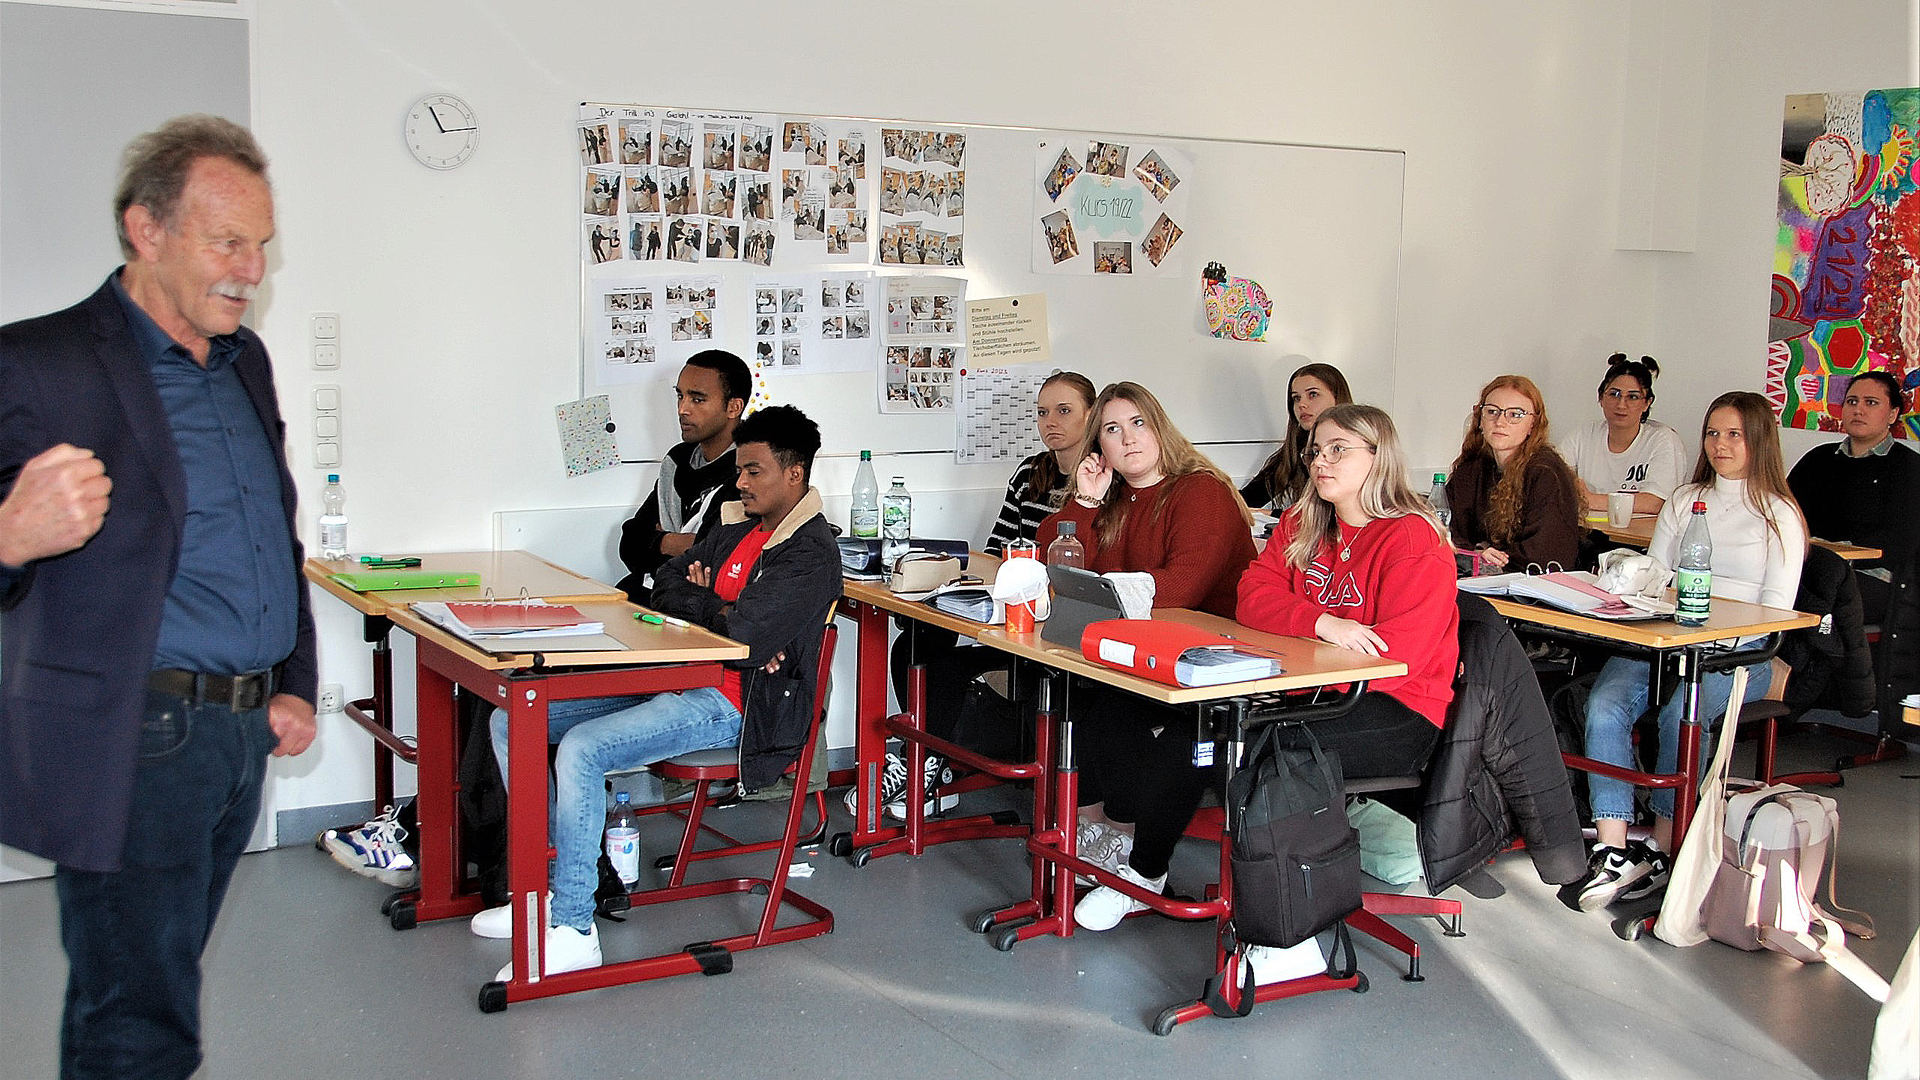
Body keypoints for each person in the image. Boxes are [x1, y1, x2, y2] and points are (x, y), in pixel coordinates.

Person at [0, 115, 317, 1080]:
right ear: (146, 229)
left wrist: (295, 678)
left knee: (155, 987)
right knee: (137, 1015)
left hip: (241, 732)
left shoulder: (244, 363)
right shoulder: (35, 362)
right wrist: (10, 534)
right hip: (136, 732)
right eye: (228, 241)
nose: (251, 268)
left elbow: (273, 528)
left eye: (261, 244)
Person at [470, 405, 841, 977]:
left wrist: (717, 609)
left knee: (582, 749)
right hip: (683, 679)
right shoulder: (739, 525)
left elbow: (743, 633)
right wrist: (715, 606)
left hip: (739, 707)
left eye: (754, 471)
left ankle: (574, 926)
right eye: (739, 470)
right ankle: (542, 894)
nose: (740, 482)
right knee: (510, 720)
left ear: (795, 474)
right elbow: (661, 582)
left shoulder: (810, 552)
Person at [1234, 404, 1461, 975]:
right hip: (1320, 696)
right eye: (1316, 450)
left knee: (1283, 751)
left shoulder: (1411, 537)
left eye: (1339, 449)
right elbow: (1251, 596)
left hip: (1400, 710)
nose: (1321, 461)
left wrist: (1297, 627)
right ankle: (1269, 897)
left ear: (1377, 457)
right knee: (1234, 733)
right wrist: (1322, 623)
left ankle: (1296, 942)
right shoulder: (1303, 525)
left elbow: (1398, 656)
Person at [1027, 382, 1257, 933]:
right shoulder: (1112, 499)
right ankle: (1109, 830)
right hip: (1138, 652)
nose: (1126, 439)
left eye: (1137, 424)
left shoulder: (1200, 491)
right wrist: (1081, 502)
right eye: (1111, 429)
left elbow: (1179, 587)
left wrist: (1100, 587)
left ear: (1160, 427)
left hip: (1212, 659)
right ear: (1097, 445)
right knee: (1074, 692)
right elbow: (1048, 559)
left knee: (1125, 713)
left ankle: (1134, 858)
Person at [1570, 391, 1807, 910]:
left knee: (1683, 714)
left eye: (1734, 434)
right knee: (1605, 701)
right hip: (1669, 639)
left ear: (1759, 441)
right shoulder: (1685, 499)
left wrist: (1712, 635)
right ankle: (1613, 849)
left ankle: (1664, 841)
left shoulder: (1779, 513)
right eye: (1713, 433)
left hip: (1741, 656)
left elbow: (1776, 614)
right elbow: (1655, 579)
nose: (1720, 445)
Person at [861, 371, 1097, 819]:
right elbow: (996, 550)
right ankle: (932, 766)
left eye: (1064, 411)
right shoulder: (1030, 473)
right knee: (913, 643)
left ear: (1091, 414)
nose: (1051, 422)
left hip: (1055, 623)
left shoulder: (1101, 480)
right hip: (1010, 611)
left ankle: (931, 766)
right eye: (1043, 412)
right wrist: (958, 582)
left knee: (945, 669)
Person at [1786, 369, 1918, 626]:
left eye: (1871, 403)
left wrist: (1835, 554)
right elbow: (1783, 514)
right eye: (1852, 401)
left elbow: (1902, 542)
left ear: (1893, 414)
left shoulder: (1908, 468)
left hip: (1871, 579)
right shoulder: (1817, 460)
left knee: (1811, 605)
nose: (1858, 410)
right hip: (1809, 570)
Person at [614, 350, 750, 597]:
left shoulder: (748, 471)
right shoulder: (678, 460)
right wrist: (674, 542)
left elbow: (712, 557)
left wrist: (659, 540)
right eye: (680, 396)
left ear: (733, 407)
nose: (682, 409)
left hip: (694, 608)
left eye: (697, 399)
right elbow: (630, 543)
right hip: (650, 592)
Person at [1445, 374, 1581, 572]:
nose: (1500, 422)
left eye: (1515, 415)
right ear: (1480, 420)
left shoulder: (1546, 473)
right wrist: (1476, 554)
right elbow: (1445, 530)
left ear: (1532, 425)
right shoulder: (1471, 469)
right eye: (1492, 412)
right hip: (1475, 577)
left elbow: (1544, 552)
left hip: (1528, 585)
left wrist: (1490, 555)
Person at [1560, 353, 1689, 516]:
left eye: (1633, 397)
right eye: (1614, 394)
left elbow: (1655, 502)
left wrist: (1591, 499)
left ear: (1647, 403)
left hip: (1637, 539)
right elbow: (1555, 478)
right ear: (1601, 398)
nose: (1621, 404)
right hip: (1587, 532)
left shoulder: (1663, 440)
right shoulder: (1581, 436)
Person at [1240, 362, 1353, 511]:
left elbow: (1335, 518)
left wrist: (1272, 515)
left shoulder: (1356, 448)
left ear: (1337, 398)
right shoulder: (1297, 447)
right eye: (1296, 398)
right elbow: (1248, 498)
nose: (1302, 404)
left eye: (1313, 394)